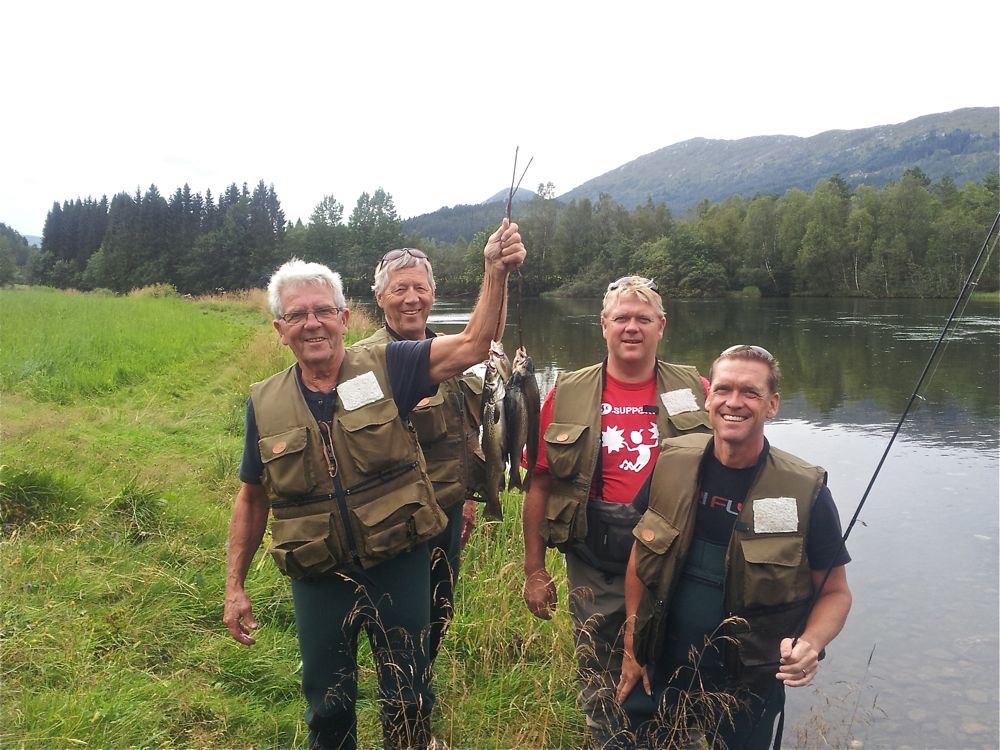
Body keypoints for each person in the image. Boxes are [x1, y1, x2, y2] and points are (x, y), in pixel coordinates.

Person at [223, 220, 525, 750]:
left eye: (322, 312)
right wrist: (235, 585)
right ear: (279, 328)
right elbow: (252, 495)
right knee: (328, 702)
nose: (312, 324)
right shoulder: (264, 403)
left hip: (399, 558)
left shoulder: (392, 365)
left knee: (408, 694)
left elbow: (478, 343)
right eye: (297, 315)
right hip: (318, 573)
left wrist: (493, 271)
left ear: (344, 318)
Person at [615, 345, 853, 749]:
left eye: (750, 392)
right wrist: (632, 648)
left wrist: (810, 644)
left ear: (773, 404)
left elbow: (835, 593)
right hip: (662, 666)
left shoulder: (805, 491)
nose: (734, 403)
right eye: (724, 389)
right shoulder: (671, 463)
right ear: (708, 398)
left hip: (750, 684)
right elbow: (640, 558)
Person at [521, 276, 712, 749]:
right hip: (596, 567)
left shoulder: (699, 387)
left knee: (685, 677)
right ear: (602, 325)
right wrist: (534, 569)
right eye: (621, 318)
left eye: (642, 319)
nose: (632, 327)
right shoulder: (565, 392)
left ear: (661, 327)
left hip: (680, 566)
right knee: (605, 685)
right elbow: (540, 483)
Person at [355, 248, 485, 667]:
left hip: (446, 511)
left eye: (421, 288)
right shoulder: (363, 362)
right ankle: (405, 716)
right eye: (400, 289)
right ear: (379, 298)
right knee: (400, 624)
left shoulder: (451, 354)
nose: (412, 298)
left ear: (433, 294)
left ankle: (417, 693)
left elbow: (464, 434)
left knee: (438, 614)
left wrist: (467, 499)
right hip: (398, 520)